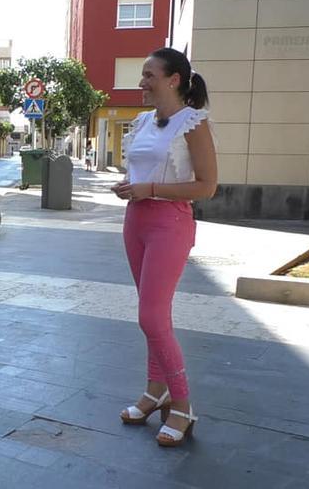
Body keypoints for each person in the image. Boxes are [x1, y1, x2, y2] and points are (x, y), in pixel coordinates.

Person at [112, 48, 217, 448]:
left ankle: (184, 404)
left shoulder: (193, 123)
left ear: (173, 80)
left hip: (170, 223)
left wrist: (150, 189)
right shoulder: (141, 122)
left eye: (149, 75)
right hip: (135, 220)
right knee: (153, 315)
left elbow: (207, 186)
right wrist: (128, 187)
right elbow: (139, 171)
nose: (142, 82)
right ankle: (156, 391)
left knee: (152, 317)